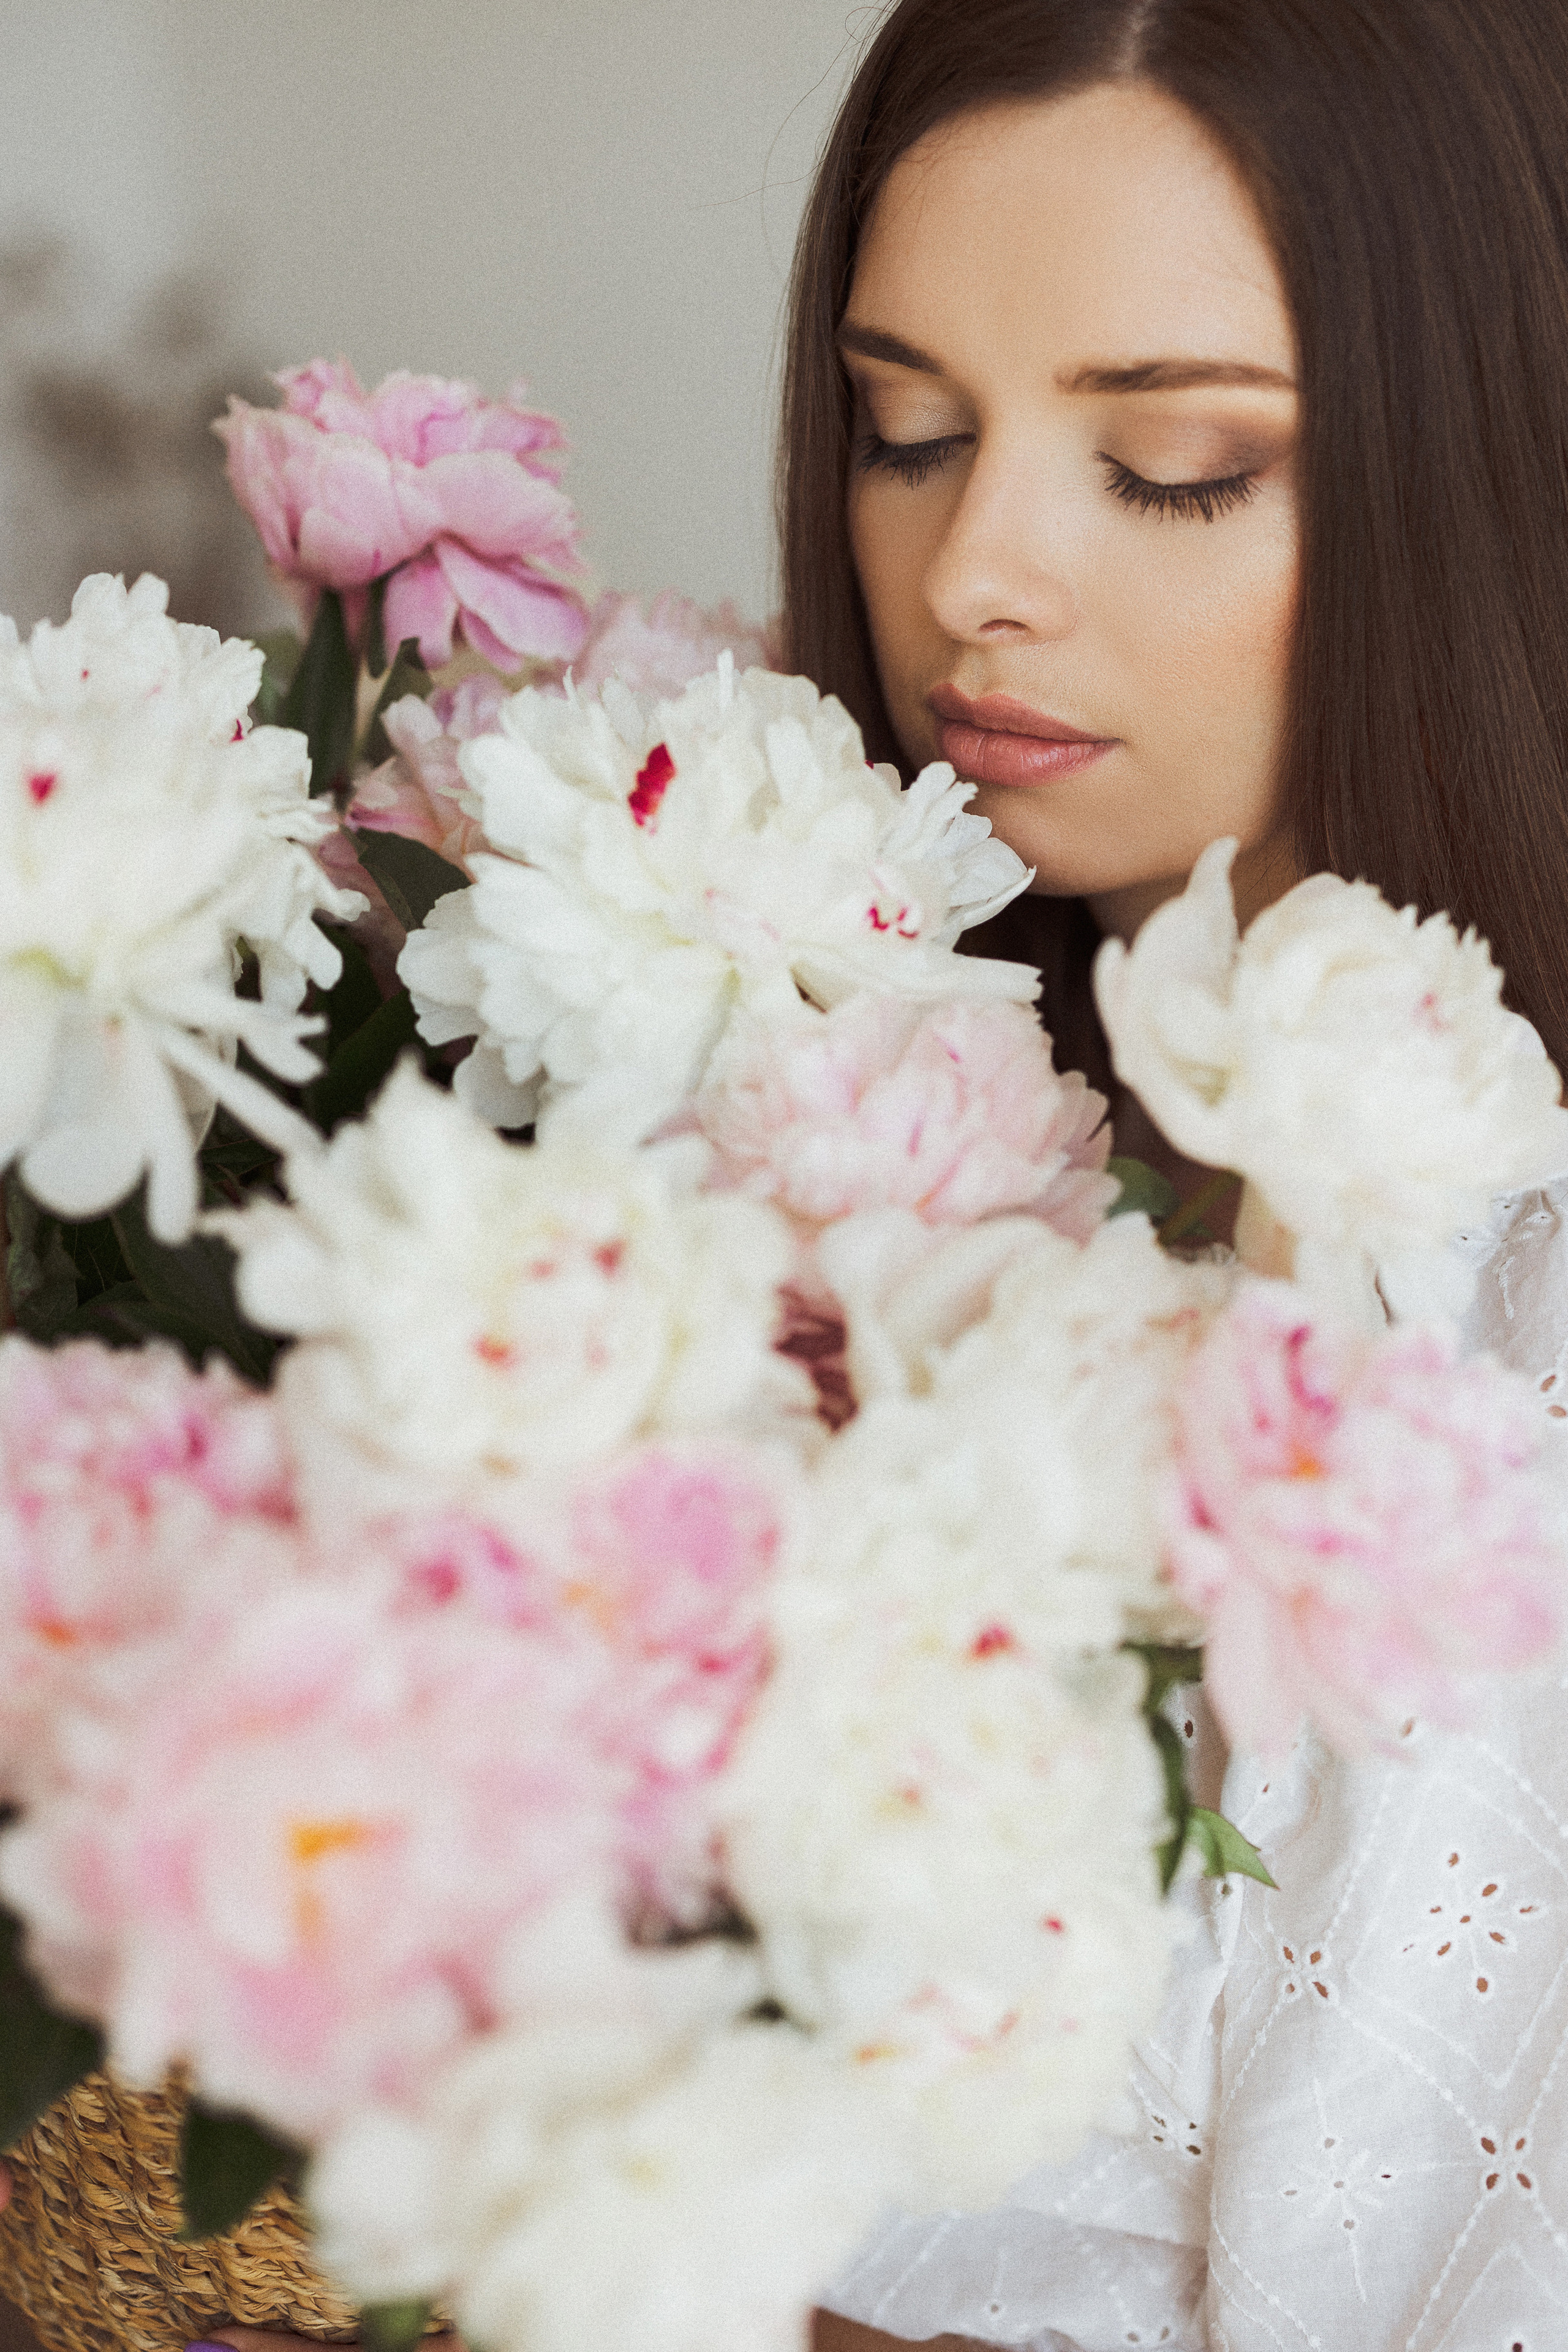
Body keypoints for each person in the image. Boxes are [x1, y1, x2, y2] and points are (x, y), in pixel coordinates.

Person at [780, 0, 1568, 2345]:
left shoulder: (1512, 1346)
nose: (973, 574)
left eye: (1178, 464)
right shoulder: (795, 1145)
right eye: (907, 428)